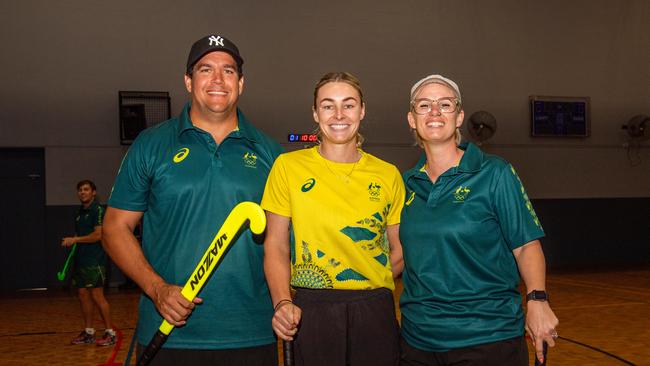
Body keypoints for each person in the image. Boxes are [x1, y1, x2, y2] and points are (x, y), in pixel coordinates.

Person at [102, 34, 283, 365]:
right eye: (205, 69)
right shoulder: (150, 144)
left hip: (252, 332)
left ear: (241, 83)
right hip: (168, 333)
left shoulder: (272, 154)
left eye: (228, 71)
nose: (217, 80)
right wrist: (158, 290)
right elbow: (114, 228)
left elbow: (285, 242)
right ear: (188, 80)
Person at [398, 74, 559, 366]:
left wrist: (537, 299)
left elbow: (525, 245)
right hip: (418, 339)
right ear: (412, 119)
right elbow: (397, 257)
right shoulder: (405, 184)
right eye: (424, 105)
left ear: (459, 117)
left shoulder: (495, 173)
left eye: (444, 104)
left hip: (487, 338)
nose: (434, 112)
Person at [262, 72, 405, 366]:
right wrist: (282, 302)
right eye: (328, 105)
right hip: (311, 309)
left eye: (349, 105)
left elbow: (401, 248)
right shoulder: (288, 167)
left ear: (362, 110)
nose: (339, 114)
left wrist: (365, 281)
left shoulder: (388, 174)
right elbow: (275, 245)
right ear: (315, 113)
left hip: (374, 307)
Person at [62, 179, 116, 346]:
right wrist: (74, 243)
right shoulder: (79, 213)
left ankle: (110, 333)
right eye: (80, 190)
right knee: (83, 294)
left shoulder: (98, 210)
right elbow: (81, 237)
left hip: (95, 260)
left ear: (93, 192)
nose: (82, 192)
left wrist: (75, 239)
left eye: (86, 189)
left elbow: (98, 235)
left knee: (97, 295)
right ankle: (89, 332)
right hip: (81, 260)